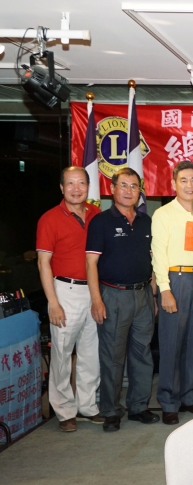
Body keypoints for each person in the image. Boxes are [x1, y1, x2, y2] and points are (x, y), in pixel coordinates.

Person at [85, 167, 159, 432]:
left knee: (142, 355)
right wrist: (97, 300)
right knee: (113, 357)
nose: (129, 191)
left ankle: (138, 407)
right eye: (124, 185)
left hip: (143, 295)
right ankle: (111, 410)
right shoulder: (101, 222)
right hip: (113, 296)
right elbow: (91, 263)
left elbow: (152, 261)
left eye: (134, 186)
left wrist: (153, 295)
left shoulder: (146, 221)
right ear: (112, 188)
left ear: (140, 191)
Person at [36, 167, 103, 432]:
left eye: (81, 183)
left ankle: (88, 406)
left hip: (94, 291)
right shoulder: (50, 218)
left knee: (91, 352)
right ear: (62, 188)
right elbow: (43, 263)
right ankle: (64, 411)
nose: (76, 189)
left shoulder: (97, 214)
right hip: (65, 291)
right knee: (62, 353)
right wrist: (53, 302)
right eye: (71, 184)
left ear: (88, 186)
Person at [151, 160, 193, 425]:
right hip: (175, 280)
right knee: (171, 343)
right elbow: (159, 255)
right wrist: (164, 290)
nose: (189, 185)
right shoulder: (163, 214)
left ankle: (189, 397)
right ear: (174, 184)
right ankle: (168, 401)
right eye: (184, 180)